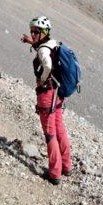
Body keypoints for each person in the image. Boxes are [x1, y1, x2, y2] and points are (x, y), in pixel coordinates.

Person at [20, 16, 72, 185]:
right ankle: (66, 165)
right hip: (58, 93)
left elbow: (47, 64)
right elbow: (45, 50)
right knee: (59, 129)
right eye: (32, 31)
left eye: (36, 32)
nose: (33, 34)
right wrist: (31, 43)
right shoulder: (53, 43)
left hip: (47, 94)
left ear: (44, 32)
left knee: (50, 134)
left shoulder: (43, 50)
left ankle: (55, 174)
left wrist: (42, 80)